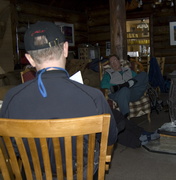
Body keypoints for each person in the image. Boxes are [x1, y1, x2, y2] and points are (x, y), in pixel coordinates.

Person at [0, 21, 118, 178]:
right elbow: (110, 138)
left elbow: (7, 147)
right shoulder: (93, 97)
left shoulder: (12, 98)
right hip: (82, 174)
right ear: (65, 49)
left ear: (30, 59)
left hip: (34, 175)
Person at [101, 54, 148, 119]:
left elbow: (138, 80)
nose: (114, 63)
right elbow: (103, 85)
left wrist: (130, 84)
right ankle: (125, 117)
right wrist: (118, 86)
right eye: (111, 62)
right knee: (124, 89)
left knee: (143, 74)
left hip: (132, 93)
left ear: (119, 61)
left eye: (115, 60)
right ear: (110, 65)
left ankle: (127, 84)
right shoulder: (108, 74)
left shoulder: (128, 70)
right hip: (118, 93)